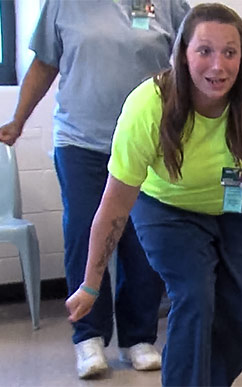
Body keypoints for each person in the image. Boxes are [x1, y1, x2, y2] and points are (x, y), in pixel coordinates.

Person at [64, 3, 242, 386]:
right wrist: (91, 283)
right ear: (182, 54)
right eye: (205, 51)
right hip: (166, 208)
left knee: (238, 322)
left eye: (230, 52)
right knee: (195, 297)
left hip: (236, 207)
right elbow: (114, 204)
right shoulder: (148, 105)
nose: (218, 66)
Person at [0, 0, 190, 379]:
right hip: (81, 142)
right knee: (85, 233)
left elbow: (194, 60)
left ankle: (139, 337)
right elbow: (45, 63)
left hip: (148, 142)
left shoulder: (169, 4)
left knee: (143, 238)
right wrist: (18, 120)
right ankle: (88, 337)